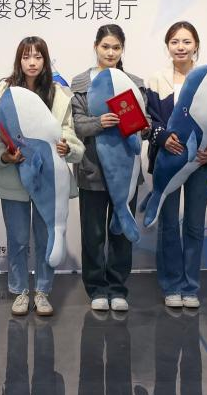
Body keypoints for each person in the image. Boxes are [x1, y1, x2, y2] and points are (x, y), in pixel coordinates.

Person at [0, 37, 84, 317]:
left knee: (46, 236)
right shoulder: (5, 92)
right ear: (19, 60)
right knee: (17, 239)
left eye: (38, 57)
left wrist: (67, 147)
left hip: (49, 179)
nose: (32, 62)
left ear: (45, 60)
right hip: (13, 178)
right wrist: (4, 156)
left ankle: (42, 291)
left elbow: (69, 132)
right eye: (26, 56)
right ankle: (19, 291)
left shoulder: (58, 94)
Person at [69, 24, 149, 313]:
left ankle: (117, 288)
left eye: (116, 47)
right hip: (92, 171)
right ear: (96, 47)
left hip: (126, 173)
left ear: (122, 49)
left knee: (121, 233)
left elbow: (146, 126)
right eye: (105, 46)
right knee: (93, 234)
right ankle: (96, 288)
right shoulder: (80, 83)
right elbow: (76, 124)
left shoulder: (135, 83)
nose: (111, 52)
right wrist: (99, 123)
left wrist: (137, 125)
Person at [147, 21, 207, 310]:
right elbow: (149, 119)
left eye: (187, 41)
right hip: (167, 161)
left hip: (202, 162)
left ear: (196, 46)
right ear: (168, 46)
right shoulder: (156, 80)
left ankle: (190, 286)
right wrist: (163, 137)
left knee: (193, 225)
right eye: (175, 42)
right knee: (168, 224)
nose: (181, 47)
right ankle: (171, 285)